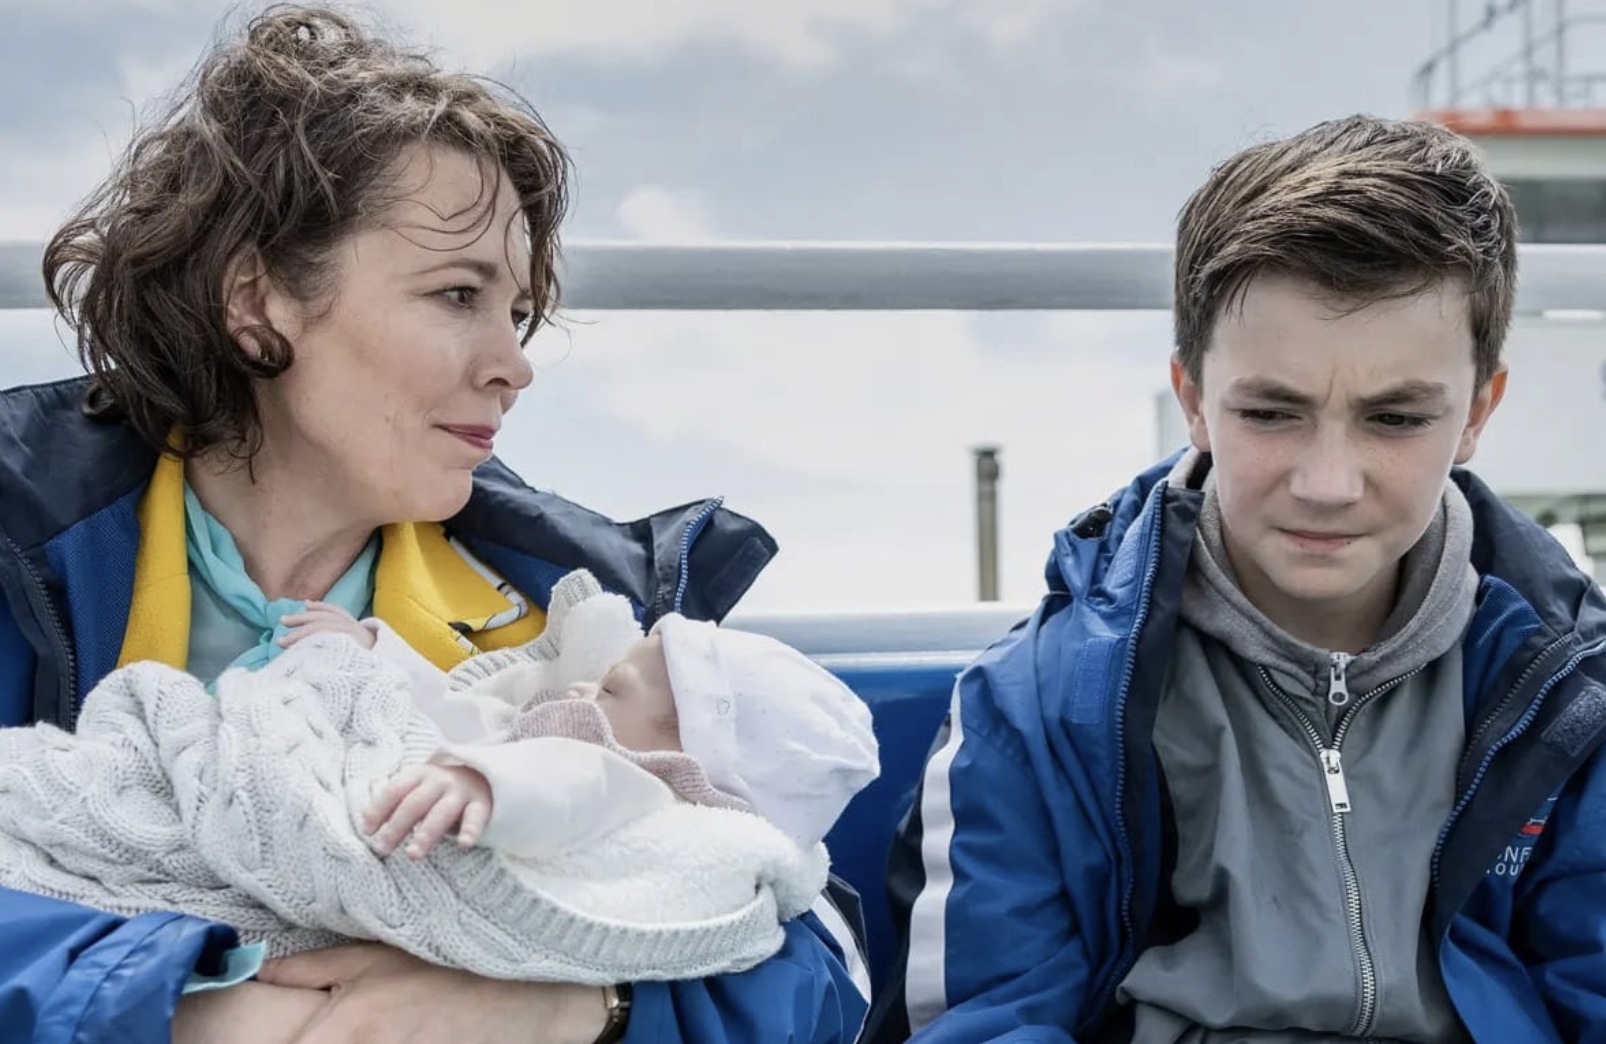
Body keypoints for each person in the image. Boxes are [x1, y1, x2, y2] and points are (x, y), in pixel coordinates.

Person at [0, 5, 868, 1043]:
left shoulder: (580, 617)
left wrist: (573, 1008)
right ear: (256, 301)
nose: (515, 365)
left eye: (518, 314)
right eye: (458, 294)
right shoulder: (22, 544)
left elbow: (817, 958)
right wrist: (193, 1010)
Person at [867, 115, 1606, 1044]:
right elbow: (984, 1019)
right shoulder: (1035, 708)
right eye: (1271, 412)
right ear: (1194, 401)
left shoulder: (1574, 694)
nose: (1328, 484)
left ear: (1476, 414)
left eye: (1394, 419)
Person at [291, 567, 881, 864]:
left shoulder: (645, 797)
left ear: (682, 756)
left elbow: (578, 782)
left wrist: (486, 781)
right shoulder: (552, 734)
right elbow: (468, 715)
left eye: (611, 688)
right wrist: (379, 655)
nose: (579, 688)